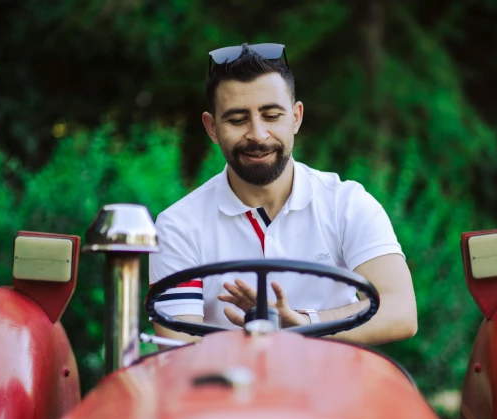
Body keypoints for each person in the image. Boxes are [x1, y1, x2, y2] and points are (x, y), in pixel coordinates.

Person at [148, 43, 417, 346]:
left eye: (272, 116)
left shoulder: (347, 203)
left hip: (336, 392)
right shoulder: (177, 226)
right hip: (225, 392)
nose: (258, 134)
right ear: (211, 128)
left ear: (296, 117)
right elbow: (180, 350)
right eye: (237, 120)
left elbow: (401, 311)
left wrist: (305, 324)